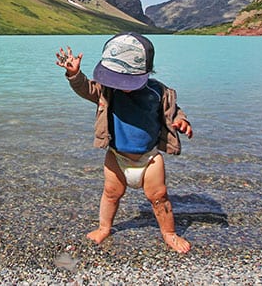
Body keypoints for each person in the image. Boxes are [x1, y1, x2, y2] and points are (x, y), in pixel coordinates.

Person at [55, 32, 193, 253]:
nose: (121, 84)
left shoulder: (158, 92)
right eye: (117, 78)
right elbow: (87, 89)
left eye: (126, 79)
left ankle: (169, 233)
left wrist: (181, 121)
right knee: (110, 193)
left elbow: (173, 112)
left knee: (159, 197)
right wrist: (74, 74)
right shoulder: (108, 90)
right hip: (116, 155)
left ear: (145, 71)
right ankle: (104, 227)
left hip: (149, 158)